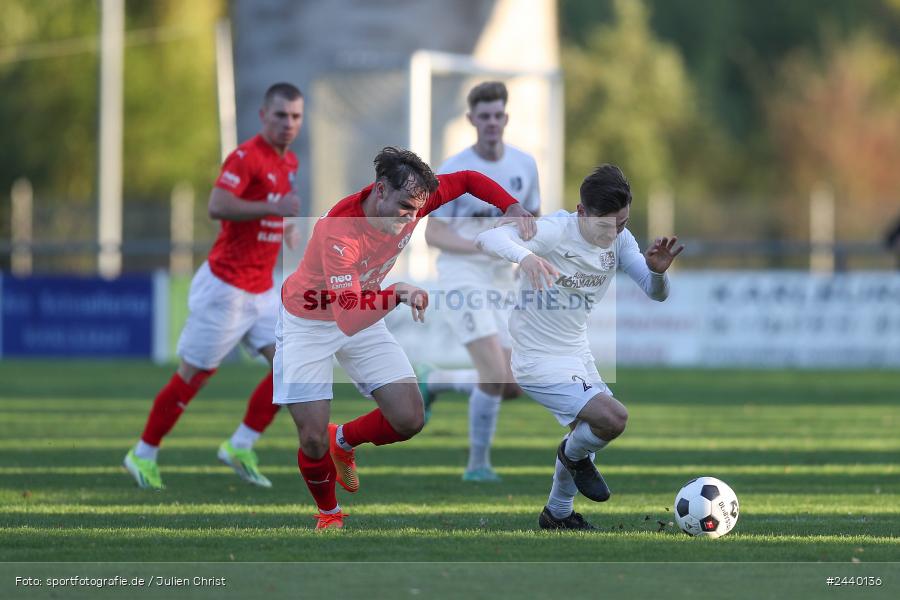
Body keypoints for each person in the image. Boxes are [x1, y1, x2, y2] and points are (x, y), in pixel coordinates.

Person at [276, 146, 535, 529]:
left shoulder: (413, 197)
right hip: (309, 322)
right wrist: (396, 292)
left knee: (409, 418)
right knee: (311, 438)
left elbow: (465, 180)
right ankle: (330, 515)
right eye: (404, 208)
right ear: (380, 189)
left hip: (362, 311)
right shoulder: (339, 231)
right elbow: (347, 317)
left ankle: (343, 440)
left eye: (418, 209)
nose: (412, 218)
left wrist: (510, 205)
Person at [475, 164, 683, 529]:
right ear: (581, 212)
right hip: (537, 360)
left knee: (590, 433)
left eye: (621, 223)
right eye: (605, 225)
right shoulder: (556, 231)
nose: (614, 233)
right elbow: (488, 239)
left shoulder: (620, 239)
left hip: (577, 353)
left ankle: (557, 513)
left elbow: (655, 293)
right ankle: (571, 456)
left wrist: (659, 273)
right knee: (613, 419)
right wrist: (526, 256)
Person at [124, 83, 305, 490]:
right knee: (192, 377)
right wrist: (273, 209)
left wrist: (284, 225)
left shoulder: (288, 162)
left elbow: (272, 211)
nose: (288, 123)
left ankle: (241, 444)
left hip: (261, 290)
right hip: (226, 289)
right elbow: (218, 205)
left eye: (295, 116)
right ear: (263, 116)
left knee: (292, 363)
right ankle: (143, 453)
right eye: (280, 115)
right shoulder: (246, 157)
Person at [420, 81, 542, 482]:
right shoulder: (453, 168)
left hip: (501, 279)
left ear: (506, 118)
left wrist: (525, 256)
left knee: (512, 385)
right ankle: (477, 466)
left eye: (497, 115)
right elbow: (433, 234)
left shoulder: (524, 165)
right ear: (471, 119)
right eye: (483, 116)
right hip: (461, 275)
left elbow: (531, 220)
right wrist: (481, 245)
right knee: (493, 374)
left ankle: (435, 381)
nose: (491, 122)